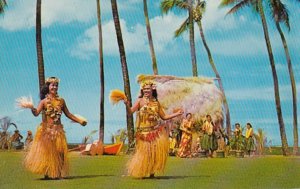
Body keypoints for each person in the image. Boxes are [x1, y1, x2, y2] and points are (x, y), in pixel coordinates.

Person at [19, 77, 87, 179]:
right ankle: (47, 173)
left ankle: (58, 174)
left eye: (56, 85)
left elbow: (68, 114)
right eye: (52, 85)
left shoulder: (61, 101)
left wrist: (80, 121)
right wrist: (31, 108)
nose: (55, 87)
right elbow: (36, 113)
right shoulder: (44, 102)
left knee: (60, 153)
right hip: (47, 131)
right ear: (48, 87)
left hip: (58, 131)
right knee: (47, 154)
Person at [123, 80, 183, 178]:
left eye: (148, 89)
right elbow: (130, 112)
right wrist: (126, 104)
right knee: (143, 153)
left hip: (154, 131)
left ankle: (152, 172)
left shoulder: (156, 103)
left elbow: (164, 117)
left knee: (153, 153)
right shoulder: (140, 101)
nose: (146, 90)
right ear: (142, 90)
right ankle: (141, 171)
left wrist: (177, 114)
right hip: (143, 132)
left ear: (152, 90)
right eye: (145, 89)